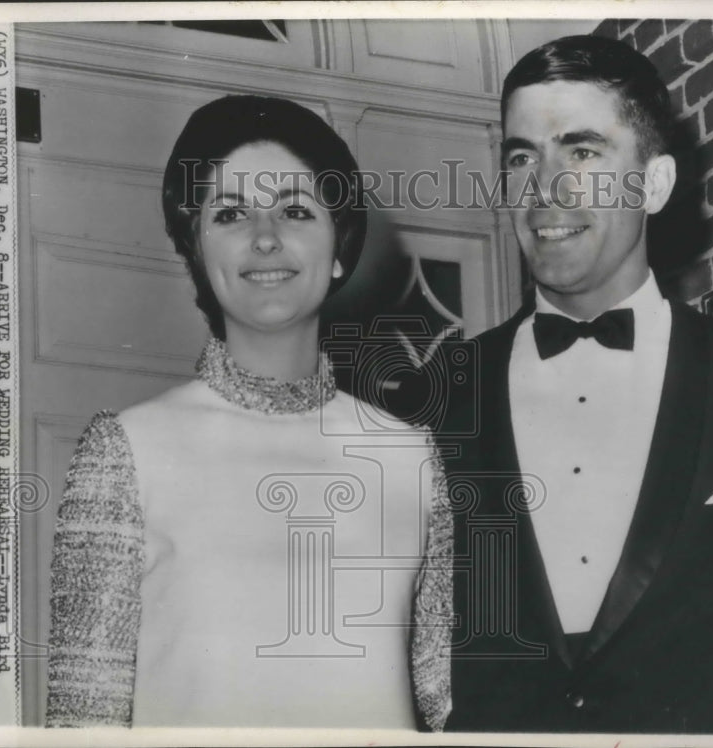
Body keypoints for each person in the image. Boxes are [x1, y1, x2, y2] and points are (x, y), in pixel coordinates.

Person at [410, 35, 713, 734]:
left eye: (581, 152)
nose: (544, 188)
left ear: (656, 183)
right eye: (522, 158)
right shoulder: (435, 400)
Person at [45, 95, 443, 728]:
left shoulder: (417, 459)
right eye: (230, 213)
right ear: (198, 252)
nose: (264, 238)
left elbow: (448, 707)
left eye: (295, 210)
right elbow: (83, 720)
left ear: (339, 246)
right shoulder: (127, 451)